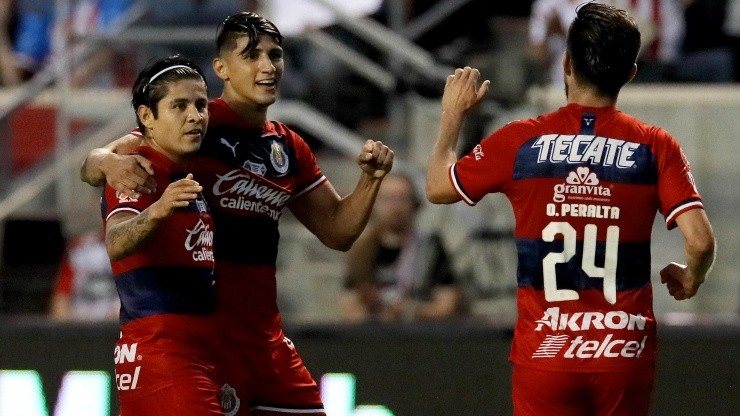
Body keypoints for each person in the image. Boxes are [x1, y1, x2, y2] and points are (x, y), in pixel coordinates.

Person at [80, 12, 394, 416]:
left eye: (275, 55)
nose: (268, 66)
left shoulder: (288, 147)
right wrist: (104, 160)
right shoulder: (192, 125)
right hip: (204, 343)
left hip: (266, 341)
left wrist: (370, 180)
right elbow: (109, 159)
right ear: (222, 68)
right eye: (252, 56)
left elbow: (338, 231)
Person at [425, 3, 715, 416]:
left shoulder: (520, 141)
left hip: (546, 351)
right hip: (623, 352)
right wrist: (691, 278)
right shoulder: (655, 146)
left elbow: (438, 186)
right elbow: (700, 242)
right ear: (630, 74)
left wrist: (452, 116)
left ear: (566, 64)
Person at [102, 54, 221, 416]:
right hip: (163, 353)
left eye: (201, 105)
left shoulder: (183, 174)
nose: (195, 116)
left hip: (186, 353)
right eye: (179, 106)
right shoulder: (138, 170)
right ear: (147, 117)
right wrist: (157, 210)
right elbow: (116, 241)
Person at [339, 172, 462, 323]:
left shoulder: (430, 247)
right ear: (374, 205)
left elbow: (447, 305)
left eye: (402, 199)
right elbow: (349, 306)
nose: (395, 207)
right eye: (388, 200)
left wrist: (409, 311)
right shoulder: (362, 250)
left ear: (415, 205)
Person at [49, 228, 119, 321]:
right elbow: (60, 302)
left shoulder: (126, 251)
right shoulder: (78, 255)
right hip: (79, 326)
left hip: (113, 325)